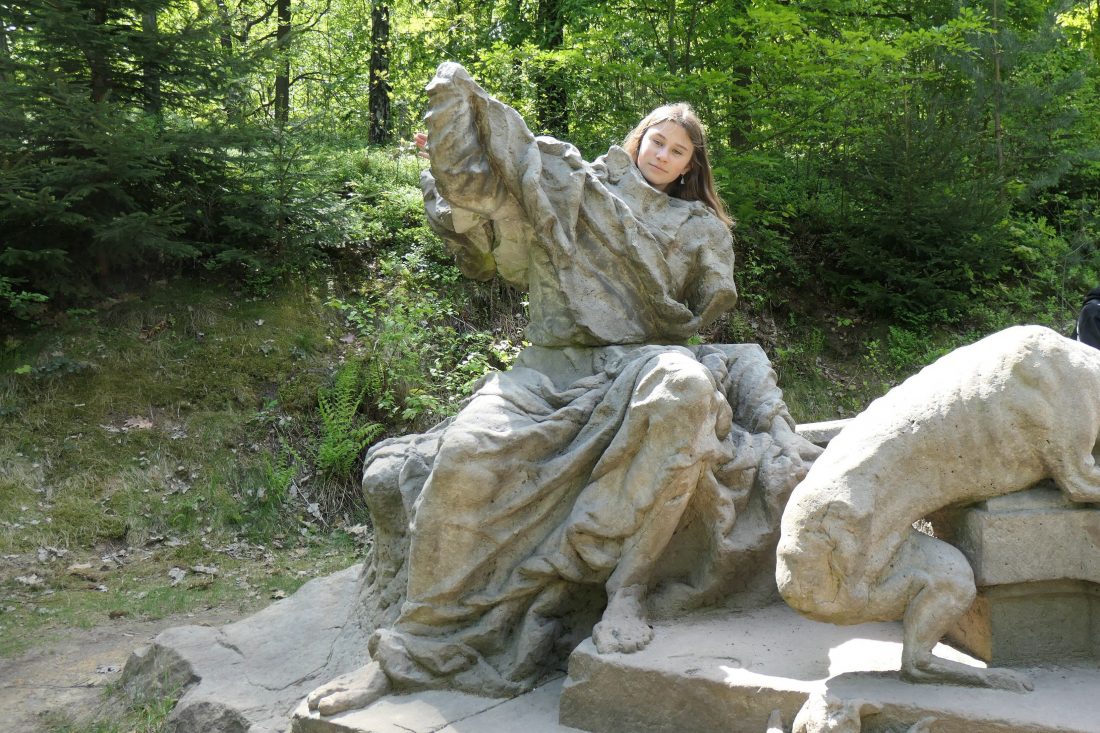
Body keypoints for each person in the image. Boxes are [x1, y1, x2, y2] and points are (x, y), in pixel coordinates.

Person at [303, 62, 818, 716]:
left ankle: (626, 590)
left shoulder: (699, 229)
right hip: (546, 371)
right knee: (464, 457)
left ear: (691, 166)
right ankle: (413, 647)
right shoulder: (570, 183)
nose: (662, 154)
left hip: (638, 363)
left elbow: (698, 317)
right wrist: (457, 134)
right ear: (638, 139)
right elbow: (484, 215)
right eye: (656, 140)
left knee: (684, 388)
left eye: (677, 150)